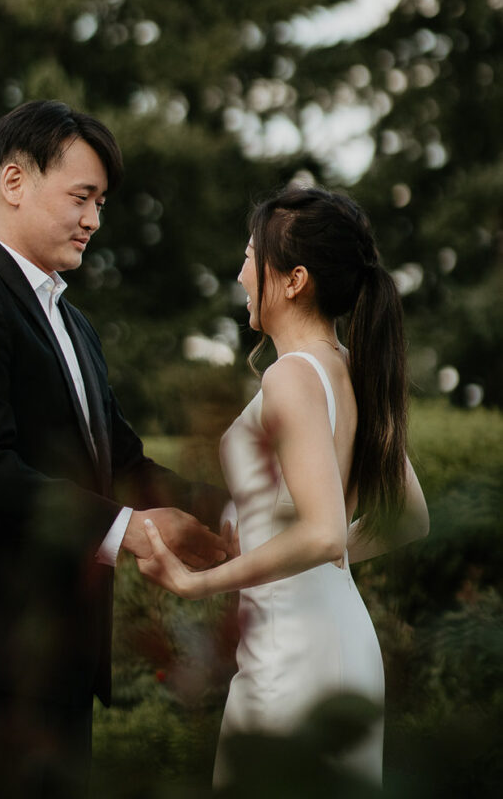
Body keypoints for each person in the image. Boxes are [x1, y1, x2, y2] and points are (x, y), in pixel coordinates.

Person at [0, 99, 228, 798]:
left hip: (60, 671)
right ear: (14, 182)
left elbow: (123, 465)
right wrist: (130, 531)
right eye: (82, 197)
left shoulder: (74, 325)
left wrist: (239, 510)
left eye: (101, 202)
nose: (95, 220)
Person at [137, 185, 430, 787]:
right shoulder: (350, 367)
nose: (241, 272)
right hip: (332, 641)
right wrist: (279, 547)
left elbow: (322, 533)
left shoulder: (292, 376)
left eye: (250, 256)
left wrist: (200, 584)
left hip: (295, 656)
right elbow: (407, 517)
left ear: (293, 279)